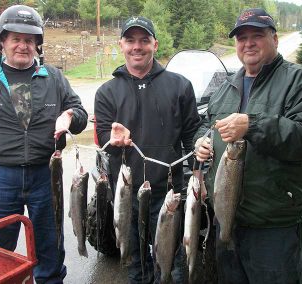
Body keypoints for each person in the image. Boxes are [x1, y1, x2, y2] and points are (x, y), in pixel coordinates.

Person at [0, 5, 88, 284]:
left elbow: (81, 114)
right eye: (16, 38)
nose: (23, 46)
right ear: (2, 41)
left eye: (29, 40)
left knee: (50, 244)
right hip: (0, 177)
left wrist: (70, 115)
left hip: (45, 176)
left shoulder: (54, 78)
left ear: (38, 44)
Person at [194, 8, 302, 284]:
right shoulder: (226, 85)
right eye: (241, 37)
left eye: (257, 35)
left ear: (275, 39)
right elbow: (206, 123)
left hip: (273, 228)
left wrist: (253, 125)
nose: (248, 43)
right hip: (225, 217)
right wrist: (201, 141)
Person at [94, 16, 202, 283]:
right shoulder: (107, 92)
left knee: (173, 262)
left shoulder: (180, 86)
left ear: (155, 43)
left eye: (144, 40)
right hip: (127, 194)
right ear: (121, 45)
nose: (137, 47)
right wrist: (111, 136)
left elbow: (192, 136)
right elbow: (102, 138)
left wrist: (200, 174)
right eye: (130, 40)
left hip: (168, 194)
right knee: (135, 263)